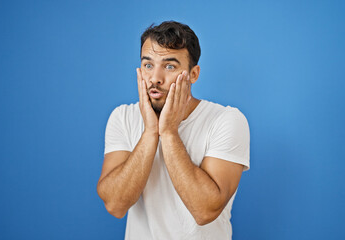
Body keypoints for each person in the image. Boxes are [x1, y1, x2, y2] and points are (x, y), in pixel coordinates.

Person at [97, 21, 250, 240]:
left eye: (169, 66)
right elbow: (115, 205)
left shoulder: (226, 120)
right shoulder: (122, 117)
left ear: (193, 74)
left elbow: (205, 210)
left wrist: (168, 132)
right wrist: (151, 132)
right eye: (148, 65)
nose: (155, 78)